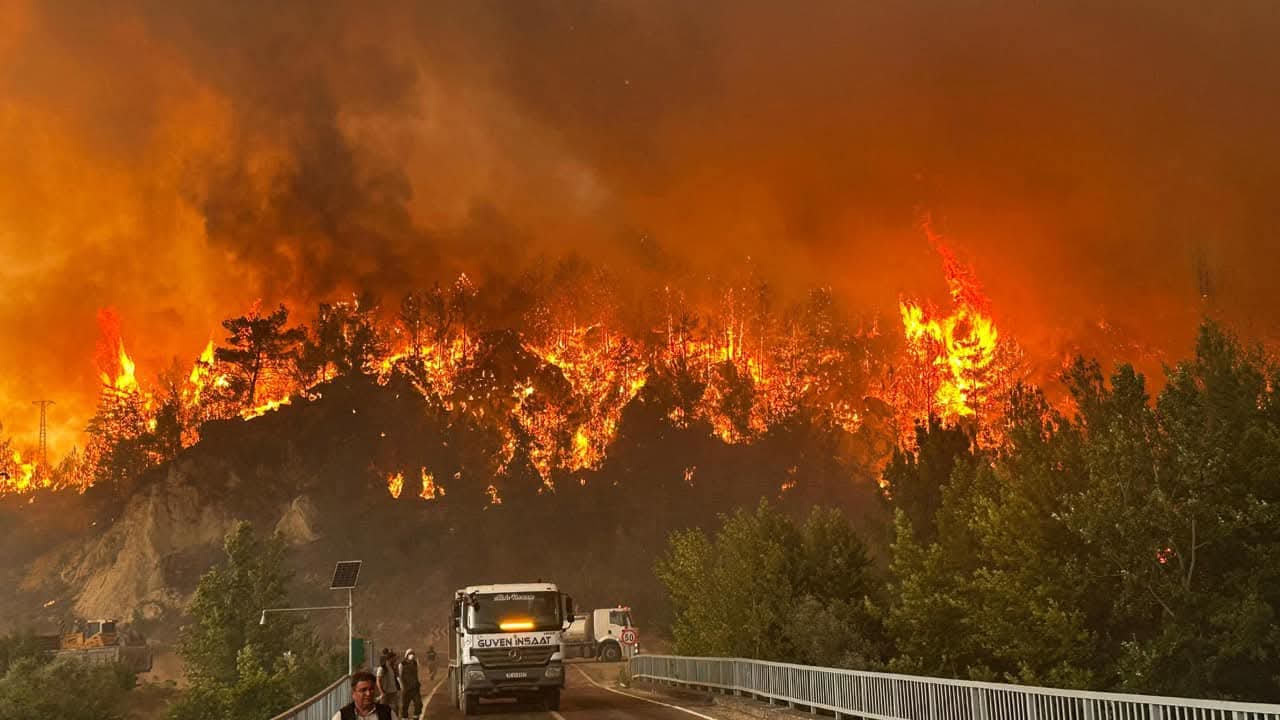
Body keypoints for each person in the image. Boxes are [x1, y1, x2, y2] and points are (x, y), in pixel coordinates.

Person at [398, 648, 422, 719]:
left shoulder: (415, 663)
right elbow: (400, 676)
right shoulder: (402, 664)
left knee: (418, 704)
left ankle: (415, 717)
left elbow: (417, 673)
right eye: (410, 654)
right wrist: (402, 686)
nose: (412, 655)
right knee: (405, 705)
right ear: (407, 655)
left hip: (415, 688)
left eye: (413, 653)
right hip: (406, 688)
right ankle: (405, 718)